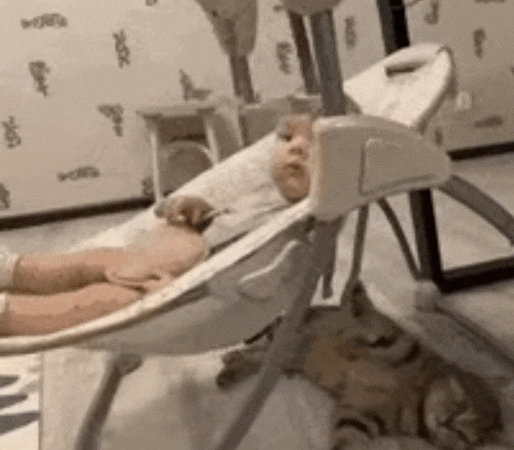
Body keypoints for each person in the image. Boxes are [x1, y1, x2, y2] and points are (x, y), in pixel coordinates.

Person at [0, 113, 315, 337]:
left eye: (315, 148)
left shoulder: (289, 227)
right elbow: (215, 223)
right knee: (87, 261)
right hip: (146, 259)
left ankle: (10, 315)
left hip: (173, 289)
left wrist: (180, 292)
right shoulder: (260, 197)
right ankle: (14, 270)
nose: (297, 148)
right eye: (289, 140)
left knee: (102, 301)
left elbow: (243, 279)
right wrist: (194, 209)